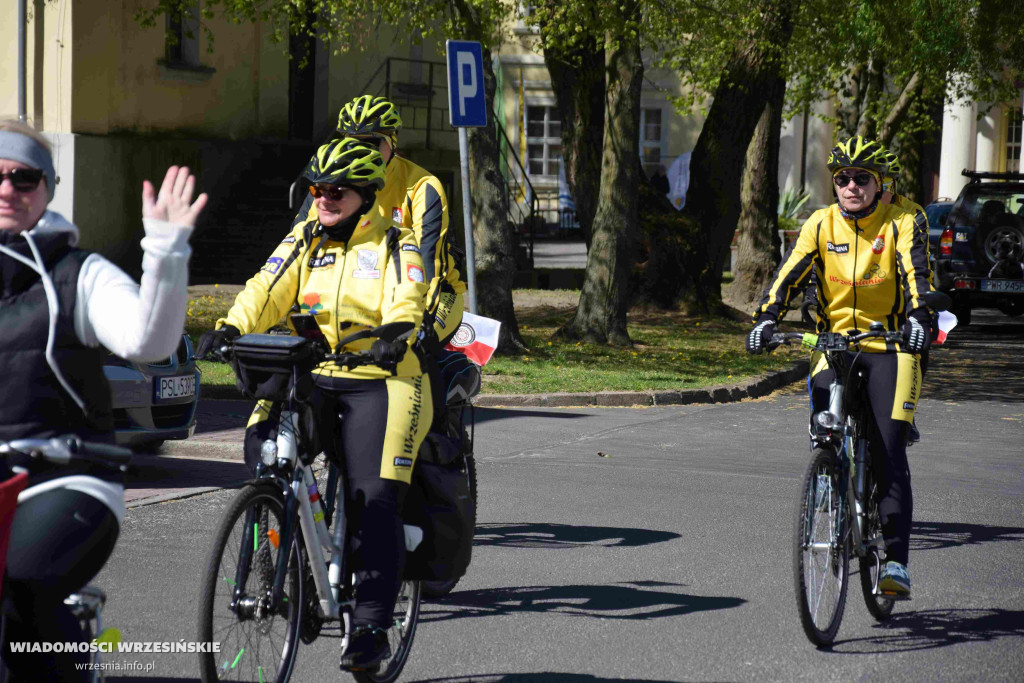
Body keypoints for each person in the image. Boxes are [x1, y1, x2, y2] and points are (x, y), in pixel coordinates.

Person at [196, 138, 432, 671]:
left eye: (336, 190)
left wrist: (396, 330)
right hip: (313, 373)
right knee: (265, 451)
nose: (323, 198)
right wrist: (231, 325)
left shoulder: (397, 241)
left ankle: (371, 626)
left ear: (366, 192)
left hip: (384, 378)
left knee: (373, 496)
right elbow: (266, 288)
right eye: (316, 188)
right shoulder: (305, 238)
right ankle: (291, 563)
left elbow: (409, 295)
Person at [0, 119, 205, 680]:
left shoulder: (78, 274)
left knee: (20, 585)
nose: (7, 190)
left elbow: (150, 340)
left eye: (23, 177)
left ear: (48, 187)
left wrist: (165, 252)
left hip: (68, 477)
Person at [747, 135, 934, 599]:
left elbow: (918, 278)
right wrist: (767, 318)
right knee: (824, 428)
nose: (851, 186)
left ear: (880, 183)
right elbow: (787, 275)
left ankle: (895, 562)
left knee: (890, 448)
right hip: (832, 344)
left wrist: (918, 319)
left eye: (862, 179)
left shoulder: (904, 219)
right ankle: (831, 477)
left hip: (889, 346)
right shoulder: (820, 223)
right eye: (843, 179)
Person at [295, 95, 466, 349]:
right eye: (352, 143)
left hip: (434, 292)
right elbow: (296, 250)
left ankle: (449, 372)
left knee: (409, 347)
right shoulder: (328, 187)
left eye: (373, 143)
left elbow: (429, 267)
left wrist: (418, 325)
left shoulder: (422, 187)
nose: (362, 151)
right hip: (363, 290)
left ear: (393, 142)